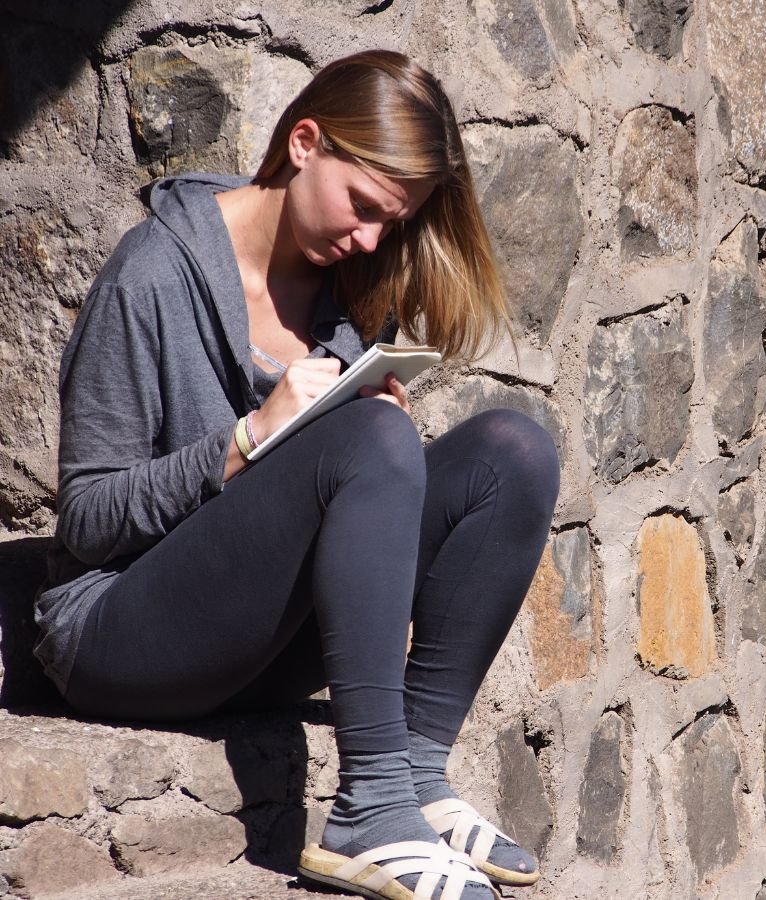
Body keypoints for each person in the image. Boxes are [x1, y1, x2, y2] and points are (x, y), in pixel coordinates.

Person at [32, 49, 560, 900]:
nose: (370, 239)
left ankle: (416, 776)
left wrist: (367, 430)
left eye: (392, 223)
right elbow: (86, 522)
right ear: (305, 141)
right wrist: (249, 439)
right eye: (363, 208)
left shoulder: (345, 288)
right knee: (369, 443)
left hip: (257, 636)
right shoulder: (151, 273)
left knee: (513, 453)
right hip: (118, 633)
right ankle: (370, 810)